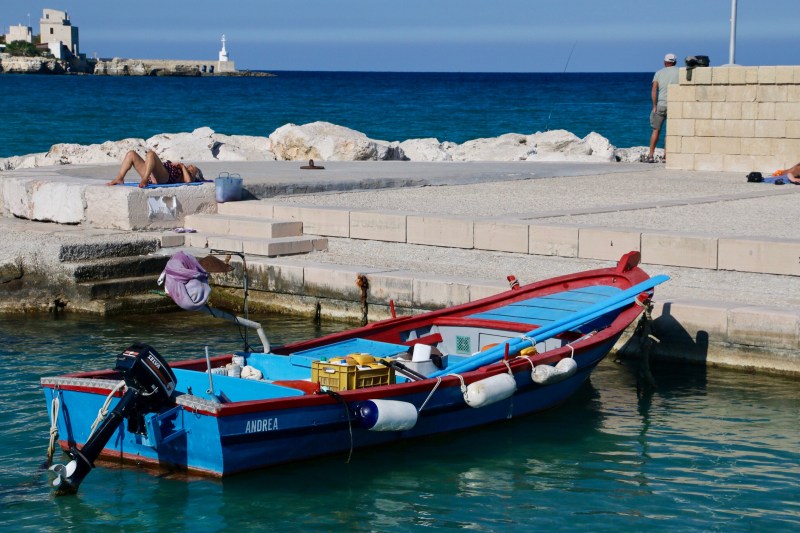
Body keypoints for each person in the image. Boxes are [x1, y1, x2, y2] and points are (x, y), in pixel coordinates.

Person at [646, 53, 680, 163]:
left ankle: (651, 155)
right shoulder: (680, 72)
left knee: (656, 130)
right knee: (669, 132)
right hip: (674, 105)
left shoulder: (659, 73)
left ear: (665, 62)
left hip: (660, 105)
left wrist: (654, 105)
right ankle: (666, 157)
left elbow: (654, 89)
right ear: (675, 62)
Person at [106, 150, 203, 187]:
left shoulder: (187, 175)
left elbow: (188, 181)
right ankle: (120, 178)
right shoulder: (183, 169)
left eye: (193, 168)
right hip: (151, 174)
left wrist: (182, 167)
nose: (190, 166)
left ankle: (144, 179)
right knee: (131, 154)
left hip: (164, 177)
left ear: (195, 174)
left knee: (151, 154)